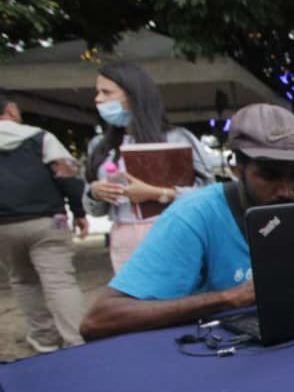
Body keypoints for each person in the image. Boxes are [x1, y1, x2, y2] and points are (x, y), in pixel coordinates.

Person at [79, 104, 294, 341]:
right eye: (269, 175)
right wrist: (228, 298)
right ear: (237, 168)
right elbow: (97, 321)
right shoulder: (192, 216)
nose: (286, 191)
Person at [0, 86, 88, 352]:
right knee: (60, 280)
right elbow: (67, 176)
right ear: (9, 108)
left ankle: (44, 340)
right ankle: (78, 341)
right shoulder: (40, 137)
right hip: (46, 221)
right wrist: (79, 211)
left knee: (22, 279)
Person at [84, 62, 213, 273]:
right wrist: (96, 192)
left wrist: (157, 193)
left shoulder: (176, 138)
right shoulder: (100, 147)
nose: (98, 99)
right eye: (97, 92)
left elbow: (208, 193)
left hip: (174, 233)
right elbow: (93, 207)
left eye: (106, 92)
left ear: (133, 95)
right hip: (124, 240)